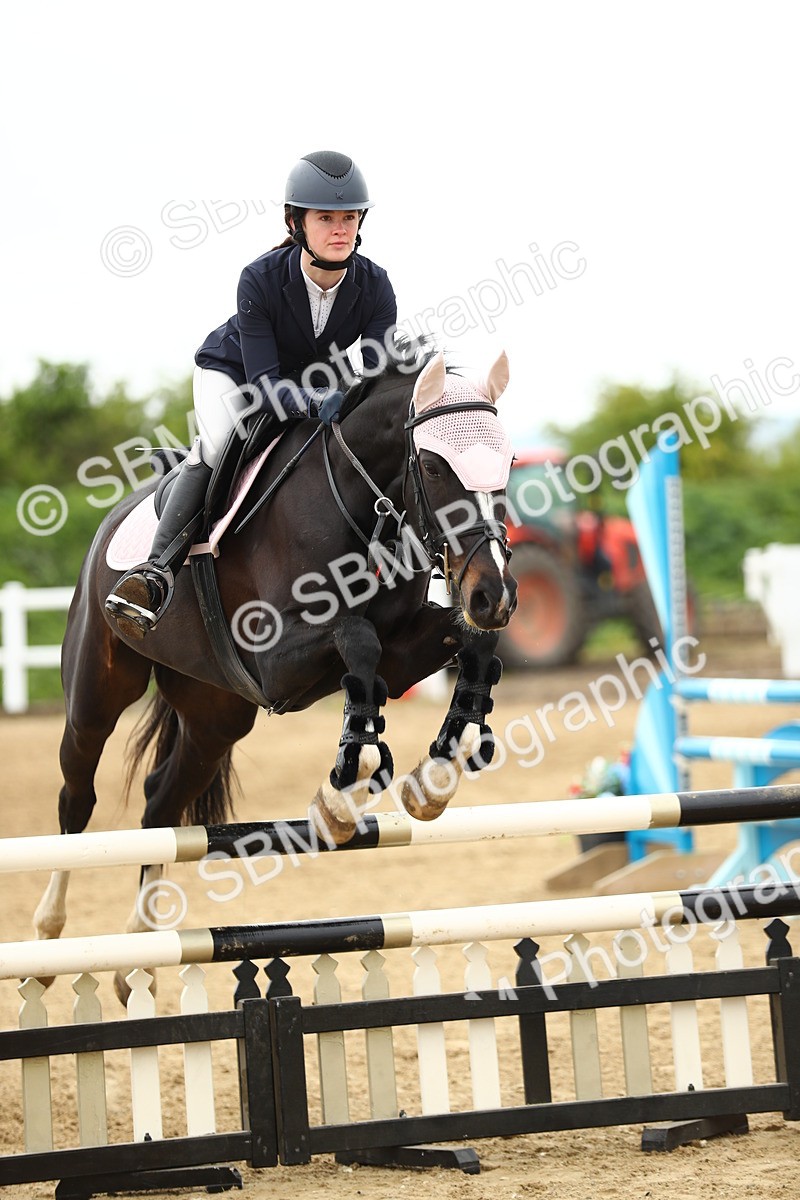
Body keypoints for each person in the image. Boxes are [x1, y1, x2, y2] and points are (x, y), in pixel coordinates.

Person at [105, 150, 397, 638]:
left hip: (311, 380)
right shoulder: (260, 278)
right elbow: (263, 384)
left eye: (349, 217)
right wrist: (315, 402)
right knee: (221, 446)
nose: (340, 228)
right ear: (296, 222)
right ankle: (154, 573)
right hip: (234, 374)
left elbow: (377, 370)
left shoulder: (376, 285)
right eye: (326, 217)